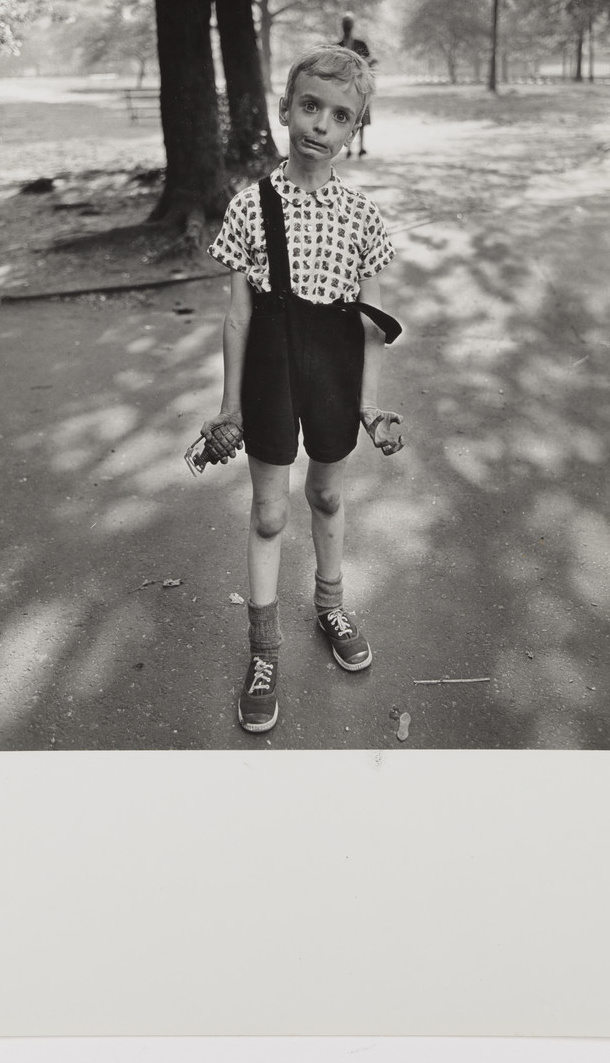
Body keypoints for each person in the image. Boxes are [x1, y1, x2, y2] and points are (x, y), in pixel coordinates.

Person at [202, 45, 405, 734]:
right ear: (285, 108)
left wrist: (369, 406)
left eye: (339, 115)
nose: (320, 124)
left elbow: (373, 324)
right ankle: (263, 653)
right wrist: (228, 407)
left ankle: (329, 606)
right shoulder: (250, 206)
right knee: (267, 513)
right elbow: (236, 316)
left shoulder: (363, 219)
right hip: (268, 370)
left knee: (324, 494)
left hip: (333, 371)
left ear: (355, 131)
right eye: (310, 106)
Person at [336, 13, 374, 156]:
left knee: (357, 116)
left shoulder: (343, 46)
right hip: (347, 88)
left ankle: (356, 147)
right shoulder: (339, 46)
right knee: (351, 117)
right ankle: (352, 148)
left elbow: (368, 62)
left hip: (358, 86)